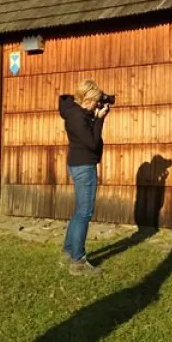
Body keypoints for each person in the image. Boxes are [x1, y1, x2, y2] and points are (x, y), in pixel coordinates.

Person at [58, 79, 110, 276]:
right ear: (87, 99)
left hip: (77, 164)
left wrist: (93, 117)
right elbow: (93, 143)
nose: (97, 104)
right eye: (95, 101)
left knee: (79, 211)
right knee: (84, 213)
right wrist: (100, 120)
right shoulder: (78, 117)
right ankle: (77, 261)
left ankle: (68, 251)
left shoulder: (74, 112)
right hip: (84, 166)